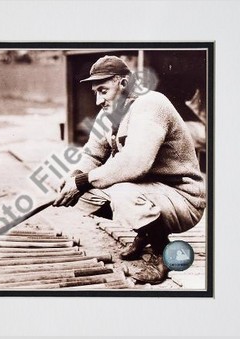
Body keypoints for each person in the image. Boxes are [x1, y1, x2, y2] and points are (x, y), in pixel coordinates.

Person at [53, 55, 206, 284]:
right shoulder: (110, 113)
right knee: (79, 194)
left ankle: (163, 253)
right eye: (96, 92)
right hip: (152, 191)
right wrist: (74, 178)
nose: (97, 100)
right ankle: (145, 233)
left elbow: (135, 164)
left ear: (123, 83)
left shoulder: (150, 104)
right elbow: (92, 155)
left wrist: (83, 181)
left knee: (121, 192)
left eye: (103, 91)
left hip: (183, 197)